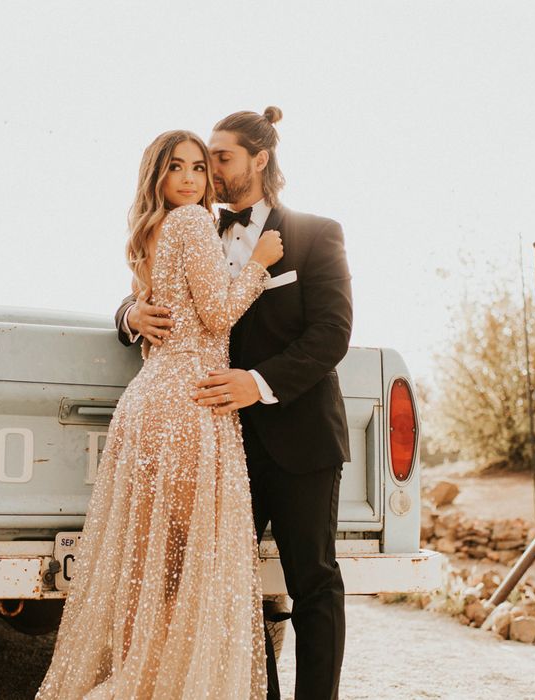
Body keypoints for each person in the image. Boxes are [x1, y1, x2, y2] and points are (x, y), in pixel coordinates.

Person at [116, 107, 353, 700]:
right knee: (225, 585)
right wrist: (127, 314)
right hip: (218, 441)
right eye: (202, 159)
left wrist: (259, 382)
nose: (210, 170)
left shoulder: (317, 234)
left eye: (220, 157)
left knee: (314, 583)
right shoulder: (192, 226)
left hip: (299, 435)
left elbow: (331, 335)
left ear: (260, 159)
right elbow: (163, 289)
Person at [37, 130, 283, 699]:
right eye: (178, 167)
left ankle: (137, 682)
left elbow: (162, 311)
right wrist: (260, 265)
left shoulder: (150, 231)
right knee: (187, 567)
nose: (192, 178)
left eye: (200, 167)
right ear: (158, 175)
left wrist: (131, 311)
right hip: (190, 406)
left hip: (149, 402)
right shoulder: (195, 223)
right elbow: (219, 315)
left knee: (147, 568)